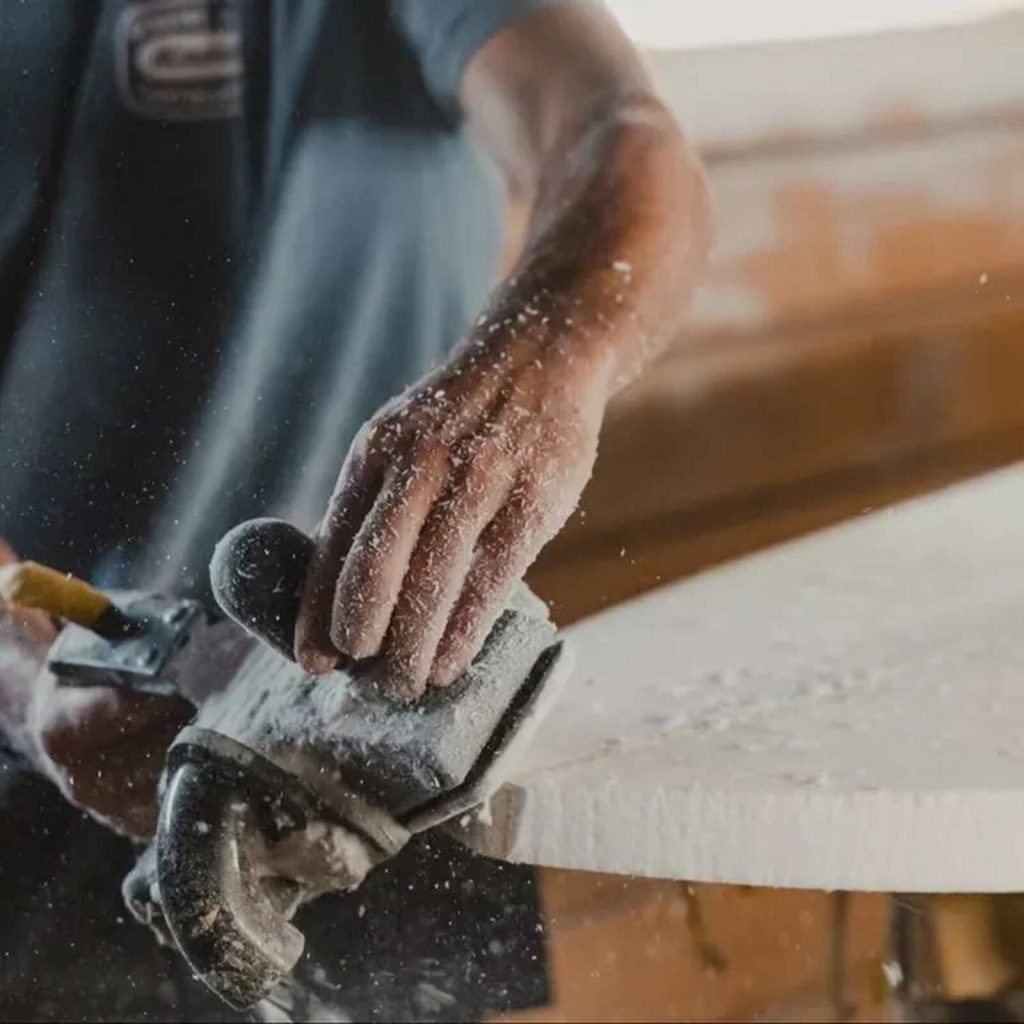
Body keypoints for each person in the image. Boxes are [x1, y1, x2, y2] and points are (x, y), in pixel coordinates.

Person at [0, 0, 710, 1018]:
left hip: (397, 726)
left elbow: (618, 132)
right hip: (67, 738)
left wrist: (549, 344)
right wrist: (24, 677)